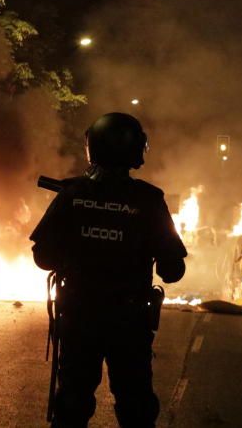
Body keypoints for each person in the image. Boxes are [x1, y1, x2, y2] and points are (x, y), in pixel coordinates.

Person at [30, 112, 188, 428]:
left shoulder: (72, 193)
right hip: (128, 322)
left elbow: (42, 257)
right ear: (135, 150)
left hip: (78, 317)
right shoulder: (148, 199)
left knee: (72, 404)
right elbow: (173, 270)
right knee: (135, 406)